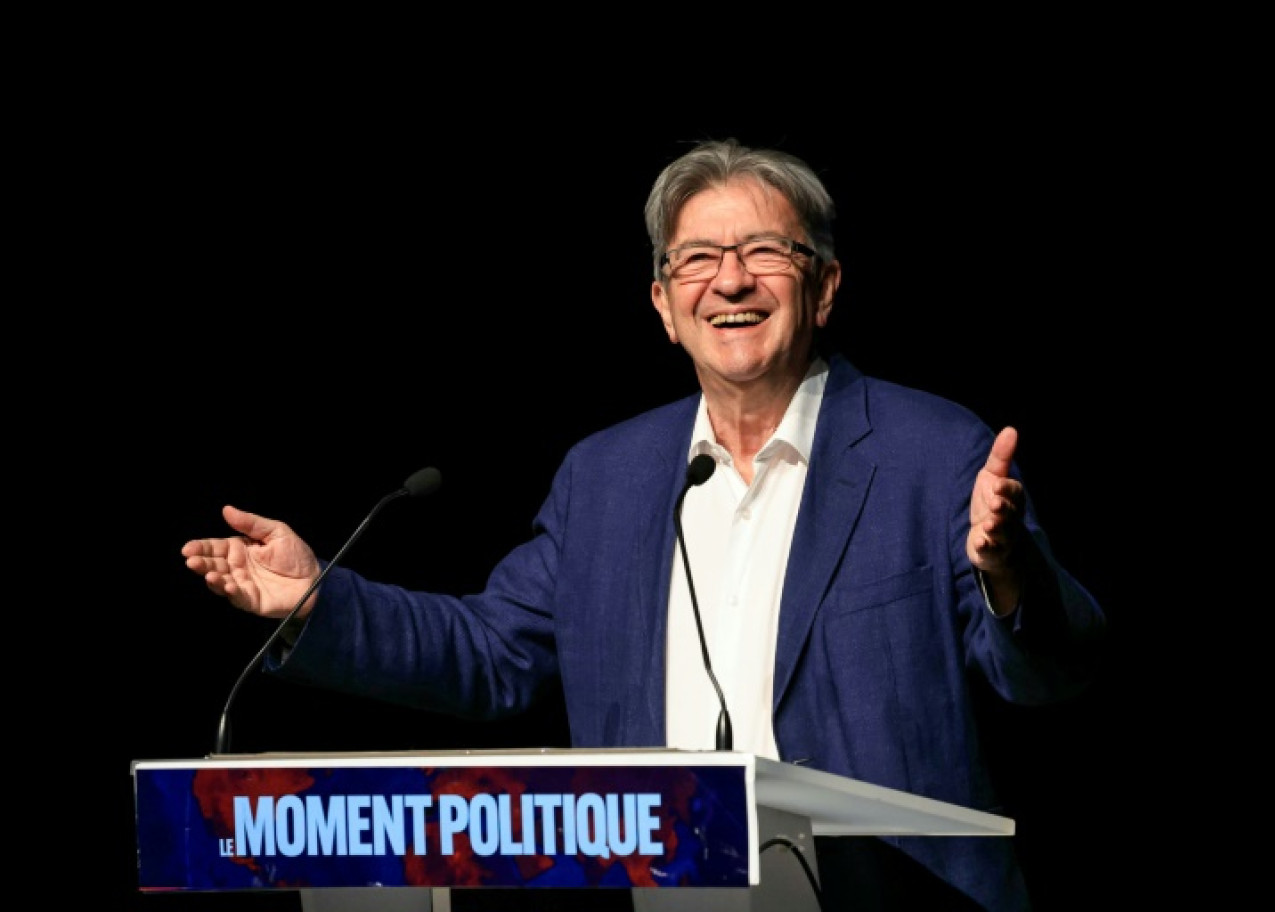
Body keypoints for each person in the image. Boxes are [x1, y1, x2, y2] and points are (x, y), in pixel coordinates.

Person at [182, 137, 1107, 911]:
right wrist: (317, 601)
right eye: (696, 260)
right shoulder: (607, 477)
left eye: (766, 252)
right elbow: (495, 653)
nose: (730, 280)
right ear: (664, 305)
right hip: (656, 894)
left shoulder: (932, 450)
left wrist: (1009, 572)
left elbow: (1052, 673)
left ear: (823, 287)